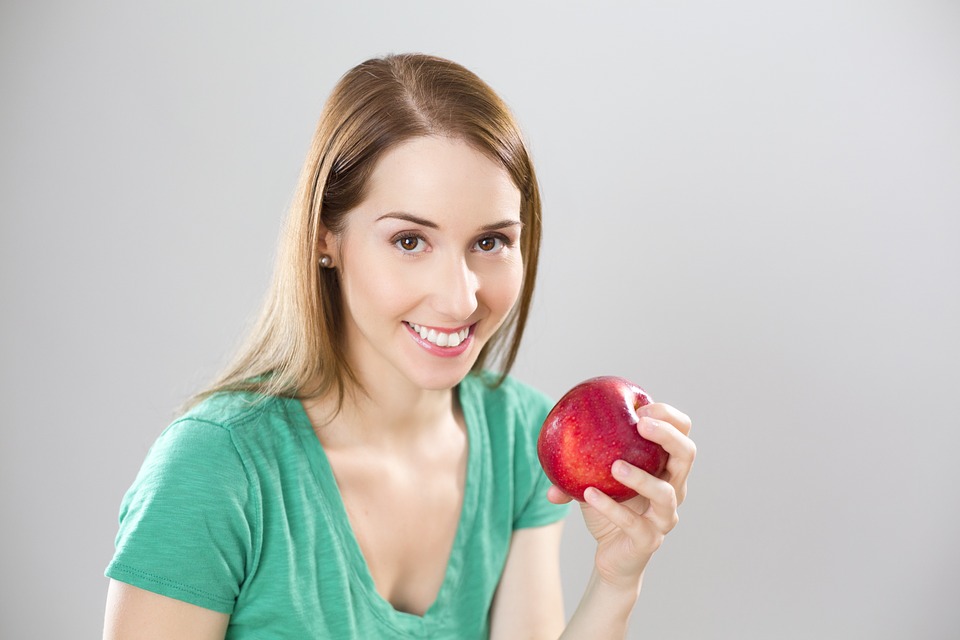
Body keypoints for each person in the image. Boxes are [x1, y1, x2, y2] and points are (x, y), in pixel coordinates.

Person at [102, 53, 696, 639]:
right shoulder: (214, 469)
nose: (461, 299)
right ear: (325, 240)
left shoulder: (520, 437)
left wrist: (616, 580)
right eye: (411, 241)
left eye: (490, 242)